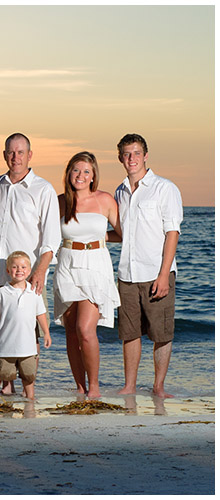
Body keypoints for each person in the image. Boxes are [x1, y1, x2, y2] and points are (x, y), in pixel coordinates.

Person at [0, 133, 61, 393]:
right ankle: (7, 385)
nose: (15, 157)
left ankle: (29, 386)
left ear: (30, 155)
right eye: (10, 152)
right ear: (5, 155)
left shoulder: (43, 189)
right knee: (2, 330)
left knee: (31, 333)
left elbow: (52, 239)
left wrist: (40, 270)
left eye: (20, 152)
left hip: (28, 277)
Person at [108, 133, 183, 399]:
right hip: (127, 274)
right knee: (129, 334)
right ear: (120, 158)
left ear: (146, 155)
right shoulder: (120, 192)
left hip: (156, 273)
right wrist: (93, 235)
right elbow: (122, 233)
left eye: (136, 153)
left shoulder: (165, 188)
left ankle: (158, 387)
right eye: (127, 154)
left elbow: (172, 232)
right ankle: (129, 386)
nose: (132, 159)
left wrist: (164, 275)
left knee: (161, 333)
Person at [52, 152, 121, 398]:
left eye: (86, 172)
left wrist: (100, 238)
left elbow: (122, 234)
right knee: (71, 329)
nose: (80, 176)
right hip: (67, 264)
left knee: (85, 329)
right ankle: (79, 386)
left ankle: (94, 386)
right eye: (76, 170)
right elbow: (47, 236)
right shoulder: (60, 202)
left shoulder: (105, 200)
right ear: (69, 173)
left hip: (95, 265)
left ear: (93, 176)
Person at [0, 251, 52, 400]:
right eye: (15, 267)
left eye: (23, 267)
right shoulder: (2, 292)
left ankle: (30, 399)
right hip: (6, 346)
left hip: (28, 347)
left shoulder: (34, 292)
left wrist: (47, 333)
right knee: (0, 373)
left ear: (30, 270)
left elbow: (41, 314)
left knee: (28, 375)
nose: (19, 270)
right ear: (7, 270)